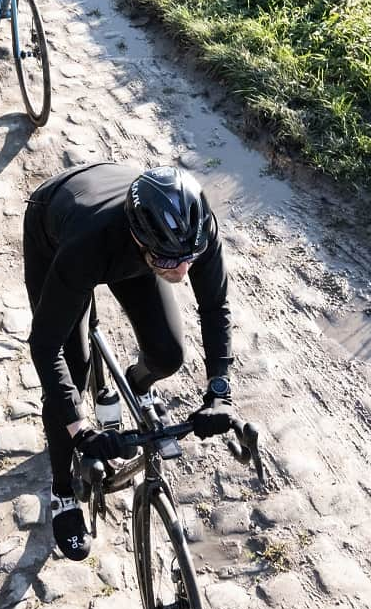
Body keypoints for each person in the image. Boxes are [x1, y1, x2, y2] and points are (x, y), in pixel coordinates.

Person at [24, 163, 235, 558]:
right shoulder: (89, 246)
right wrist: (82, 432)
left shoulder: (192, 231)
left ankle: (133, 387)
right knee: (73, 364)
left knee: (168, 354)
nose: (184, 270)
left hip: (133, 245)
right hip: (56, 229)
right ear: (141, 241)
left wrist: (219, 389)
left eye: (190, 257)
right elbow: (43, 345)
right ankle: (63, 492)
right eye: (173, 262)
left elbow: (215, 304)